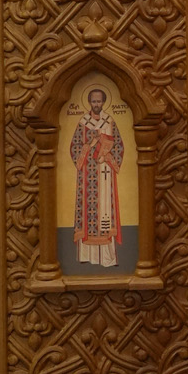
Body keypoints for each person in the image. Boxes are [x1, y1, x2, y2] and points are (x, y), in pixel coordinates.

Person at [69, 85, 124, 269]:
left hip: (105, 176)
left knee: (105, 214)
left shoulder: (110, 122)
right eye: (93, 101)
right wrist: (89, 145)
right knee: (88, 213)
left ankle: (108, 258)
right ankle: (86, 255)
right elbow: (74, 148)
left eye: (99, 101)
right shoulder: (83, 123)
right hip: (87, 178)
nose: (96, 104)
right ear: (89, 102)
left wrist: (106, 156)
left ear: (103, 102)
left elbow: (119, 146)